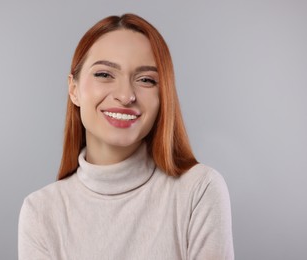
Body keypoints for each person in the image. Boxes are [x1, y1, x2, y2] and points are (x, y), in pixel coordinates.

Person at [18, 13, 234, 260]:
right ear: (74, 90)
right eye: (104, 74)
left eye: (146, 80)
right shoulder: (40, 211)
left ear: (163, 96)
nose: (125, 95)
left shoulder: (199, 189)